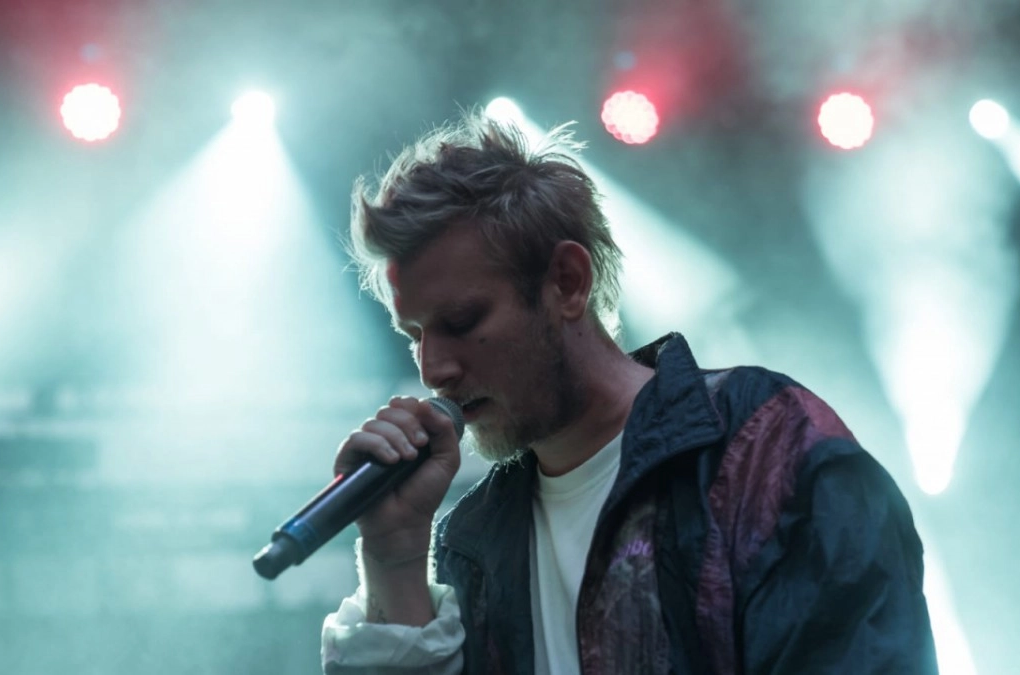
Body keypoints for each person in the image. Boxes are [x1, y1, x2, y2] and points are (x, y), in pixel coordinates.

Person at [320, 112, 938, 674]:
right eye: (414, 336)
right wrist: (393, 555)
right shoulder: (475, 539)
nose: (433, 369)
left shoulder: (762, 447)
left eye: (460, 322)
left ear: (567, 282)